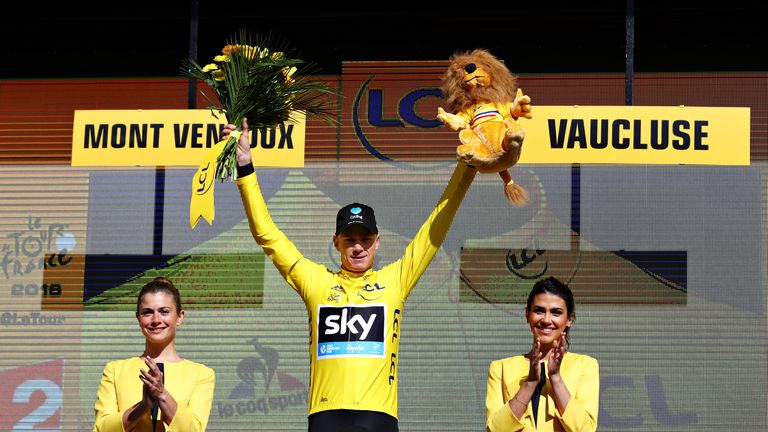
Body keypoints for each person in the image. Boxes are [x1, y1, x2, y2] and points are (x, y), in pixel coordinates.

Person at [224, 118, 477, 432]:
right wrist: (246, 167)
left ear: (377, 241)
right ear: (336, 243)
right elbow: (268, 235)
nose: (358, 248)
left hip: (378, 417)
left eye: (365, 240)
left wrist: (468, 167)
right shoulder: (316, 281)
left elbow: (435, 228)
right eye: (350, 240)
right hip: (326, 416)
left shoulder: (394, 280)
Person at [93, 277, 215, 432]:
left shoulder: (202, 374)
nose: (156, 320)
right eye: (147, 312)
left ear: (180, 316)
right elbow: (102, 428)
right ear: (138, 318)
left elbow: (194, 429)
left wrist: (162, 395)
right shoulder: (115, 370)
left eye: (164, 311)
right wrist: (142, 407)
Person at [485, 276, 599, 431]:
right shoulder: (500, 368)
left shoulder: (585, 366)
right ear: (527, 315)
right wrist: (530, 382)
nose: (546, 320)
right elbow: (495, 430)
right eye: (539, 311)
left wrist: (556, 378)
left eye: (556, 312)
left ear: (569, 319)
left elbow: (585, 429)